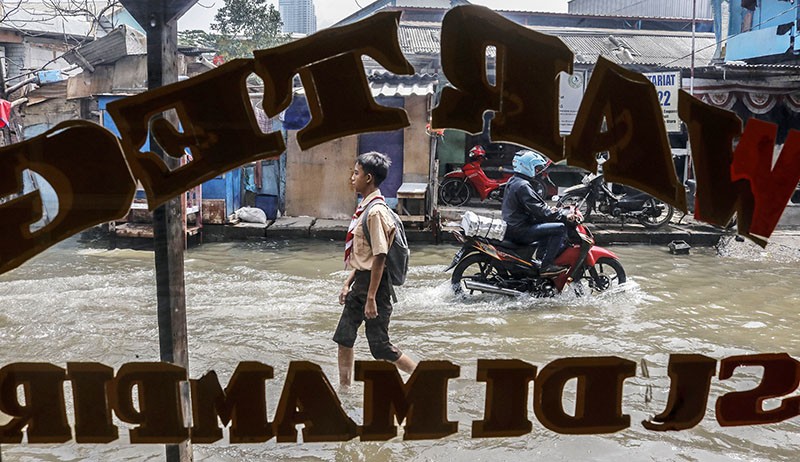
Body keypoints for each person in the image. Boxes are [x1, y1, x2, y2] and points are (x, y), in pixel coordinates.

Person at [334, 151, 417, 389]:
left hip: (375, 287)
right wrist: (348, 282)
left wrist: (371, 297)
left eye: (356, 173)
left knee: (380, 346)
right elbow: (365, 255)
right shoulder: (364, 207)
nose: (352, 177)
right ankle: (345, 389)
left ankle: (422, 377)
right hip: (362, 281)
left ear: (368, 178)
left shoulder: (376, 212)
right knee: (344, 338)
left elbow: (380, 256)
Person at [501, 150, 574, 276]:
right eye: (536, 168)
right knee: (560, 228)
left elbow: (535, 206)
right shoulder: (523, 185)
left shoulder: (515, 180)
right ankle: (547, 266)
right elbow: (540, 211)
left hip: (513, 226)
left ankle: (541, 258)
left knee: (546, 225)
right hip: (520, 230)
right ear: (526, 166)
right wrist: (563, 215)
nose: (537, 171)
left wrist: (551, 211)